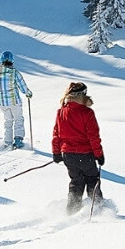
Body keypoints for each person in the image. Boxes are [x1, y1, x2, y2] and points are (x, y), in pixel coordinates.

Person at [51, 81, 104, 214]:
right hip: (85, 154)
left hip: (68, 154)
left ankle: (72, 211)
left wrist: (56, 153)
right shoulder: (87, 113)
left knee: (76, 182)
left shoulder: (61, 112)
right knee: (92, 179)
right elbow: (93, 136)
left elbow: (56, 134)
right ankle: (97, 209)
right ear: (81, 95)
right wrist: (99, 154)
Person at [0, 51, 33, 149]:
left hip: (2, 103)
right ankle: (18, 140)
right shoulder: (14, 72)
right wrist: (28, 93)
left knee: (8, 121)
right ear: (12, 60)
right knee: (18, 119)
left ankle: (7, 141)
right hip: (14, 101)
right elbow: (22, 86)